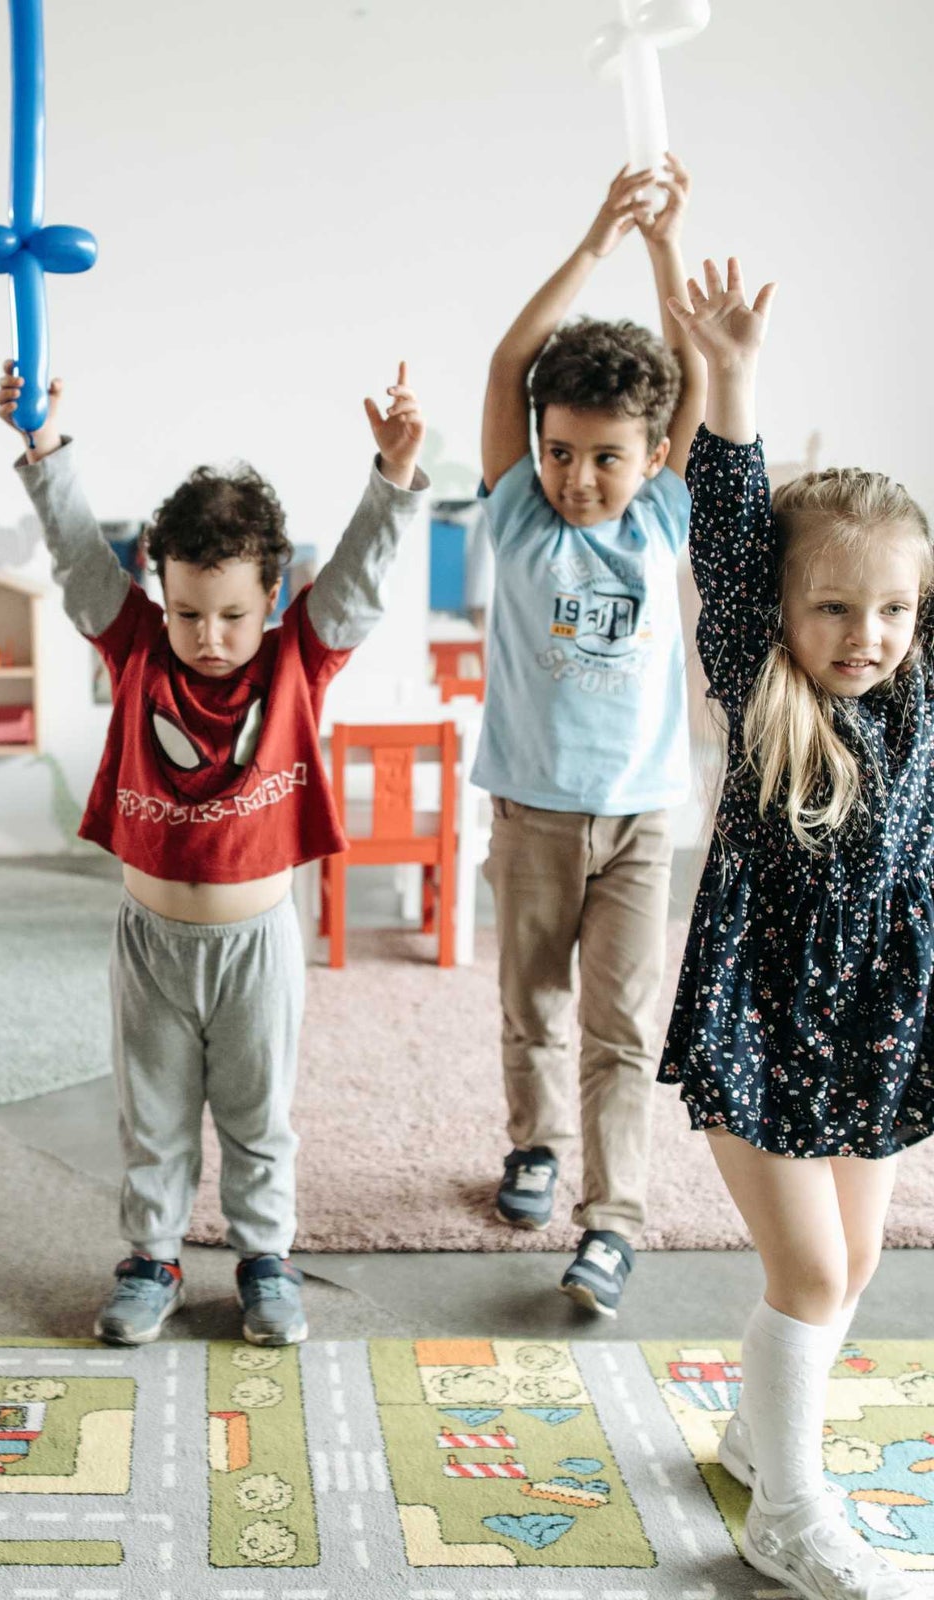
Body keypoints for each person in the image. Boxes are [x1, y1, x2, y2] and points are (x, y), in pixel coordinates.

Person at [0, 356, 430, 1346]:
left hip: (257, 943)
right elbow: (75, 559)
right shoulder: (136, 643)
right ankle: (149, 1257)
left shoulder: (296, 657)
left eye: (233, 612)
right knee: (150, 1120)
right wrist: (43, 450)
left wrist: (394, 477)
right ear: (160, 590)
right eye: (188, 610)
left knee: (256, 1118)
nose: (209, 635)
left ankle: (264, 1259)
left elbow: (358, 586)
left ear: (273, 596)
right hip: (151, 938)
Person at [661, 256, 929, 1600]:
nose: (865, 632)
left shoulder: (918, 693)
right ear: (784, 610)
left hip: (874, 1023)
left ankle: (757, 1440)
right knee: (810, 1266)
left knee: (859, 1259)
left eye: (892, 608)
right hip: (756, 1017)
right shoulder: (762, 684)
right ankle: (789, 1514)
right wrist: (734, 381)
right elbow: (726, 528)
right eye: (834, 604)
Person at [477, 160, 706, 1312]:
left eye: (603, 456)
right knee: (532, 1003)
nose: (575, 476)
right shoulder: (517, 505)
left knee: (621, 1024)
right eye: (560, 450)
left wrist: (665, 249)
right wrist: (594, 239)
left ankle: (611, 1220)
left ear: (652, 456)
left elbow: (693, 376)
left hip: (640, 821)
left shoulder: (665, 509)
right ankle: (534, 1144)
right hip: (529, 811)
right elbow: (508, 365)